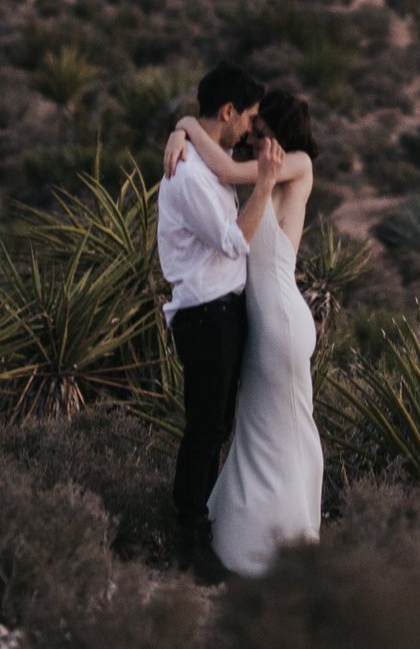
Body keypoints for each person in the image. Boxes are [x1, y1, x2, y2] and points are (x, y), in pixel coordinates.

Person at [162, 83, 323, 579]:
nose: (251, 142)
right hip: (264, 320)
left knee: (277, 431)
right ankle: (257, 545)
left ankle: (276, 546)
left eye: (259, 131)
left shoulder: (293, 163)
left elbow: (227, 170)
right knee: (262, 430)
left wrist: (185, 126)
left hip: (277, 315)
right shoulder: (271, 167)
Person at [156, 61, 279, 584]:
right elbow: (233, 239)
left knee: (217, 427)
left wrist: (182, 126)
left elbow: (223, 162)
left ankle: (204, 533)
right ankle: (188, 542)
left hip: (223, 310)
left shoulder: (209, 158)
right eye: (248, 115)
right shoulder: (187, 176)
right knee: (205, 430)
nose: (251, 126)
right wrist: (267, 184)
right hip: (204, 315)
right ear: (228, 112)